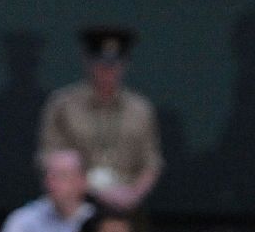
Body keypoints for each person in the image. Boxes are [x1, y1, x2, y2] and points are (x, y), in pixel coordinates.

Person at [37, 26, 163, 211]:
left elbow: (151, 163)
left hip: (128, 206)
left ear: (125, 64)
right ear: (88, 63)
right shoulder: (63, 104)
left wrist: (133, 194)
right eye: (101, 65)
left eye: (114, 65)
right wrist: (90, 189)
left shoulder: (141, 109)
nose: (107, 72)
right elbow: (48, 156)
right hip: (75, 205)